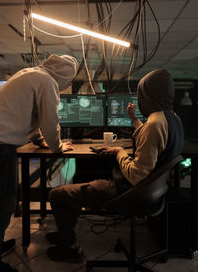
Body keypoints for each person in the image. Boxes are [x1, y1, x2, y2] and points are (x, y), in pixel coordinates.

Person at [46, 68, 184, 262]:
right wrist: (134, 119)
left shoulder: (154, 124)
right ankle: (65, 233)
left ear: (148, 95)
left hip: (128, 190)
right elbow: (152, 139)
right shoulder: (172, 118)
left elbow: (136, 175)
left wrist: (119, 152)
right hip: (151, 192)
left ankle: (69, 246)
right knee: (76, 189)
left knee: (57, 194)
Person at [0, 54, 78, 271]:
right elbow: (49, 121)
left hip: (0, 141)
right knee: (4, 203)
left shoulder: (32, 73)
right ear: (65, 77)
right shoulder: (48, 83)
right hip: (0, 145)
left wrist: (41, 140)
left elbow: (27, 114)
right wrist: (57, 146)